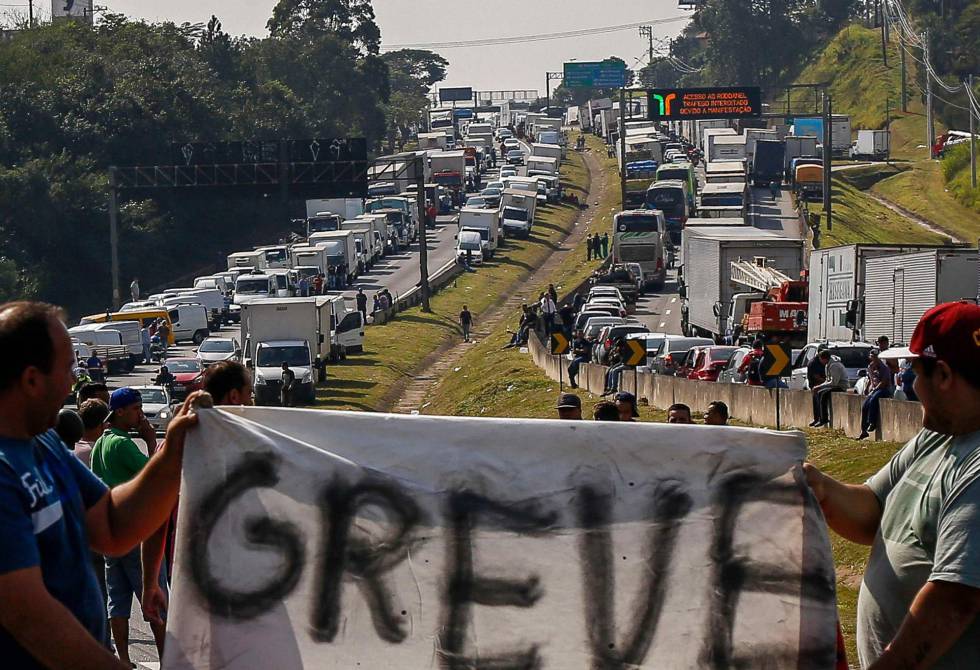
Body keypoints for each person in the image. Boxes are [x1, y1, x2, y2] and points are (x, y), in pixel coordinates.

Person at [804, 302, 980, 668]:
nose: (913, 385)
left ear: (944, 375)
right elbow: (873, 509)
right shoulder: (940, 435)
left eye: (916, 372)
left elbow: (953, 599)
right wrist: (820, 487)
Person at [90, 387, 169, 666]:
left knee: (118, 601)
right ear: (119, 411)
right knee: (155, 600)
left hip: (114, 536)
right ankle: (166, 659)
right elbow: (155, 477)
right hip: (136, 535)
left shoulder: (101, 442)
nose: (140, 414)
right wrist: (150, 441)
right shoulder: (122, 443)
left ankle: (123, 659)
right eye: (135, 409)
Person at [858, 348, 894, 440]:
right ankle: (863, 430)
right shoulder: (870, 367)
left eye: (876, 357)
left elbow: (884, 382)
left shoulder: (884, 368)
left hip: (884, 389)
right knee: (865, 405)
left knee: (874, 400)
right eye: (872, 357)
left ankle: (872, 422)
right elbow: (870, 379)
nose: (874, 359)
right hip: (874, 389)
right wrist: (867, 388)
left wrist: (875, 389)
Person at [810, 350, 848, 427]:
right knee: (818, 393)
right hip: (834, 385)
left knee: (823, 394)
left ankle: (823, 419)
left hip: (840, 386)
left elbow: (834, 382)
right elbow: (828, 380)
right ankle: (819, 418)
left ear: (824, 358)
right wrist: (819, 387)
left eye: (820, 359)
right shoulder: (828, 365)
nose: (820, 361)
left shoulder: (834, 365)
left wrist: (819, 386)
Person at [74, 399, 109, 468]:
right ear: (101, 424)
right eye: (107, 421)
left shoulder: (71, 449)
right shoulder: (100, 453)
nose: (108, 424)